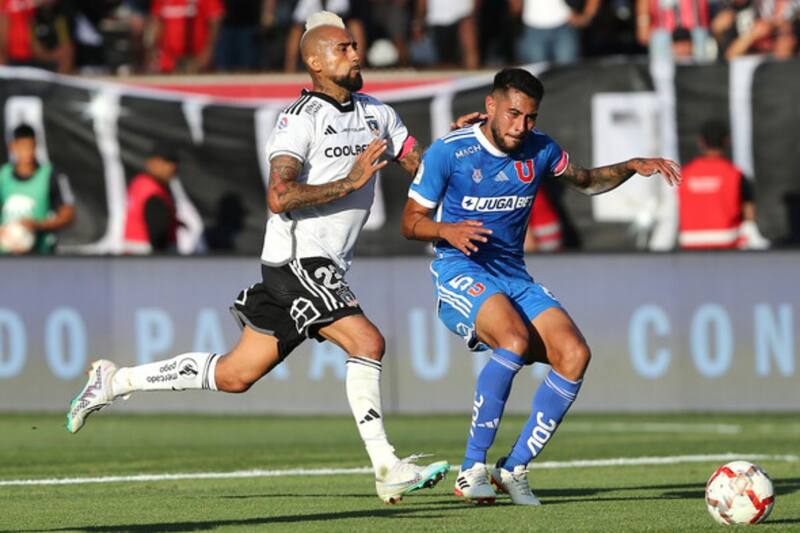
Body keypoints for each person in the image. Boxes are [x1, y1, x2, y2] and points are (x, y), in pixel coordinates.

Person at [67, 11, 480, 505]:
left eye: (353, 46)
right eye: (343, 48)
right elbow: (279, 196)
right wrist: (348, 182)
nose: (355, 53)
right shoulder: (298, 121)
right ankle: (386, 466)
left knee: (235, 375)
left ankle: (115, 380)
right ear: (314, 61)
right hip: (297, 260)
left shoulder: (379, 114)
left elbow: (423, 165)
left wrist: (460, 142)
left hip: (323, 263)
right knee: (367, 340)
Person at [401, 68, 681, 505]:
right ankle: (471, 468)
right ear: (491, 106)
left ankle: (512, 468)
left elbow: (586, 181)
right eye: (513, 114)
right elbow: (409, 223)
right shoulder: (449, 153)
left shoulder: (541, 149)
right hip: (459, 269)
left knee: (574, 355)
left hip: (513, 275)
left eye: (530, 117)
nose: (521, 126)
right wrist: (447, 230)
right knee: (511, 339)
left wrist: (630, 166)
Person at [678, 120, 764, 249]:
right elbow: (749, 212)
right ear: (726, 141)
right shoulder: (736, 175)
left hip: (690, 247)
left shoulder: (683, 175)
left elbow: (671, 214)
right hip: (728, 248)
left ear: (701, 142)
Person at [0, 124, 76, 253]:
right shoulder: (3, 175)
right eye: (22, 147)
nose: (27, 152)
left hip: (40, 255)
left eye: (31, 146)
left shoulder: (52, 175)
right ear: (13, 147)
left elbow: (68, 215)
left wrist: (38, 225)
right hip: (6, 258)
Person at [122, 146, 180, 254]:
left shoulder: (139, 183)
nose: (172, 167)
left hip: (133, 260)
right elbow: (158, 232)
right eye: (167, 161)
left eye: (175, 162)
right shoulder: (153, 192)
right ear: (151, 163)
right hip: (149, 262)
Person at [511, 0, 600, 65]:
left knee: (568, 74)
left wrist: (587, 16)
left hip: (564, 26)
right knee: (535, 78)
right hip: (532, 27)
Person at [146, 0, 225, 73]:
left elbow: (215, 21)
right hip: (168, 58)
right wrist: (153, 49)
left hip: (195, 58)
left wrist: (208, 51)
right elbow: (156, 21)